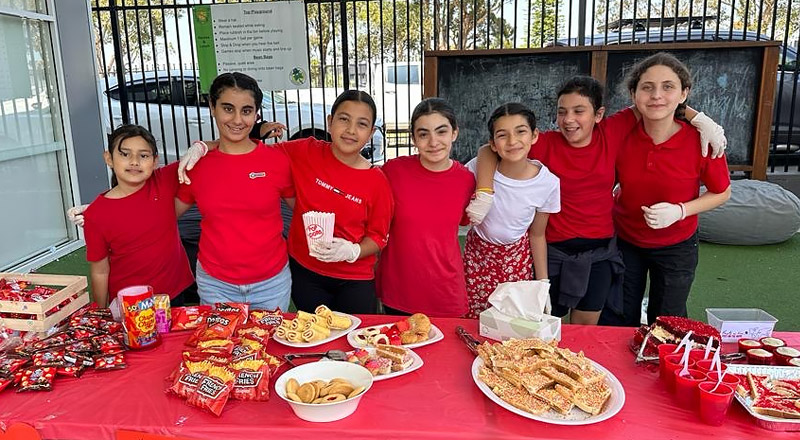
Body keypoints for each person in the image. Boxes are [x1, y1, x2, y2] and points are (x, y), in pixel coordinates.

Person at [468, 76, 727, 325]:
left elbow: (655, 103)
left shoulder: (612, 131)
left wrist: (698, 118)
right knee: (545, 325)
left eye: (579, 111)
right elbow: (488, 150)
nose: (569, 120)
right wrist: (485, 192)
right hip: (554, 252)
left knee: (587, 329)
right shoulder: (543, 142)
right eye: (562, 111)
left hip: (599, 254)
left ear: (598, 115)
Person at [179, 90, 394, 315]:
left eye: (361, 124)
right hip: (306, 273)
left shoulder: (376, 181)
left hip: (353, 279)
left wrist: (352, 251)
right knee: (308, 340)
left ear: (370, 133)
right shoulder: (303, 151)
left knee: (351, 343)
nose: (350, 130)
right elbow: (246, 148)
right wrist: (206, 146)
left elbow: (378, 237)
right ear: (330, 122)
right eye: (343, 119)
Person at [604, 52, 731, 326]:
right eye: (647, 87)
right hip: (626, 238)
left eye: (668, 87)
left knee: (668, 321)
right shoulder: (622, 132)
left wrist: (681, 210)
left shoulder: (702, 140)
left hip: (677, 243)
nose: (656, 95)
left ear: (684, 93)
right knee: (619, 316)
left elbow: (722, 191)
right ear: (633, 94)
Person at [175, 72, 295, 311]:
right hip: (215, 284)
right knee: (218, 349)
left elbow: (304, 210)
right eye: (228, 109)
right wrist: (107, 213)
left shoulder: (278, 161)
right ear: (212, 107)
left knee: (268, 348)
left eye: (247, 110)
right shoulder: (196, 164)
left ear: (257, 113)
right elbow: (163, 213)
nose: (238, 120)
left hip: (271, 283)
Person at [376, 98, 475, 317]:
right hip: (400, 289)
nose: (433, 142)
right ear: (413, 138)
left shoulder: (467, 180)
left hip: (445, 290)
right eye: (423, 134)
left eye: (441, 132)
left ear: (454, 133)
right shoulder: (393, 172)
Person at [463, 103, 560, 319]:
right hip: (477, 259)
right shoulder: (477, 168)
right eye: (502, 135)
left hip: (516, 263)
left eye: (521, 131)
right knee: (474, 322)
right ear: (493, 144)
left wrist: (543, 282)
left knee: (513, 325)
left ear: (534, 135)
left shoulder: (548, 183)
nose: (513, 141)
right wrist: (484, 195)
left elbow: (537, 234)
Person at [82, 124, 193, 307]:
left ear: (155, 161)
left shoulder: (163, 180)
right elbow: (100, 271)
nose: (134, 161)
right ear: (108, 158)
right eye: (125, 154)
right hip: (130, 304)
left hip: (173, 294)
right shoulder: (95, 214)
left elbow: (210, 155)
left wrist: (201, 146)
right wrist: (101, 312)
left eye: (143, 155)